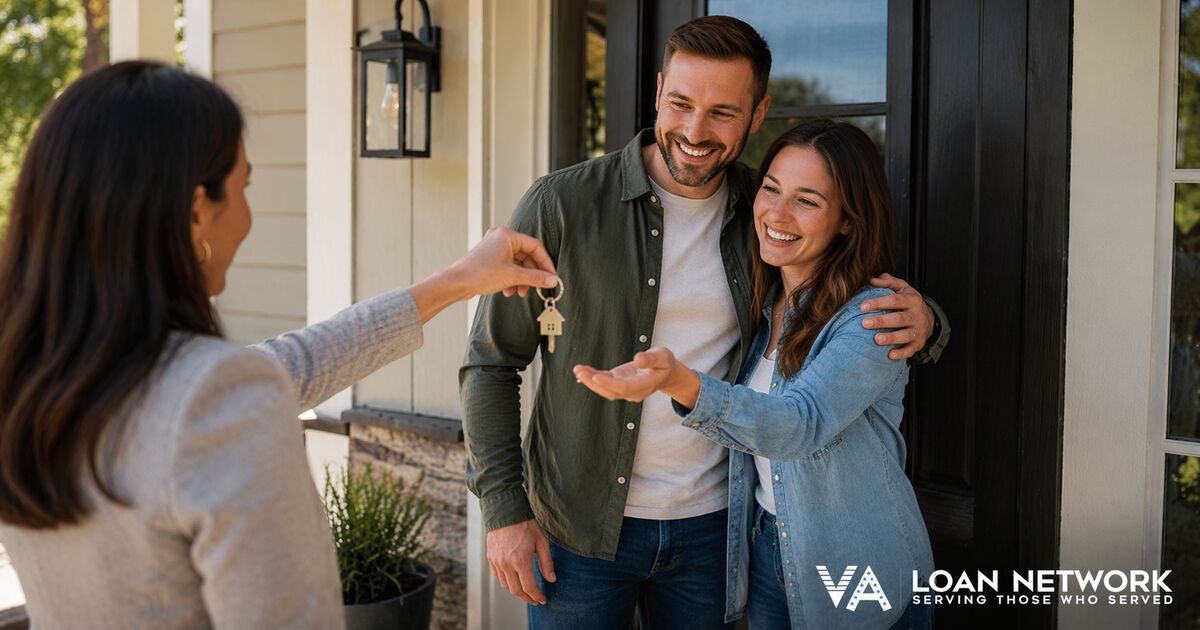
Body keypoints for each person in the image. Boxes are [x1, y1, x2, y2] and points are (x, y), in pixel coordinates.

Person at [0, 61, 557, 629]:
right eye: (242, 187)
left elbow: (291, 364)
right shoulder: (213, 398)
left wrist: (461, 278)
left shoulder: (30, 378)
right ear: (196, 212)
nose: (247, 215)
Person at [461, 16, 948, 629]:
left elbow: (848, 302)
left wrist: (930, 323)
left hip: (715, 534)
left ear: (757, 112)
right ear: (659, 90)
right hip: (579, 532)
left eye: (722, 112)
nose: (694, 131)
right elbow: (491, 361)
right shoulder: (562, 205)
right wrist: (505, 510)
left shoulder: (764, 210)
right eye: (681, 103)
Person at [575, 119, 936, 630]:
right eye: (771, 188)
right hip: (768, 547)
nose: (777, 213)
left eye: (807, 200)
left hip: (855, 560)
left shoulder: (872, 316)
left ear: (848, 221)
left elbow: (798, 424)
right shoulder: (763, 303)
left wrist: (679, 381)